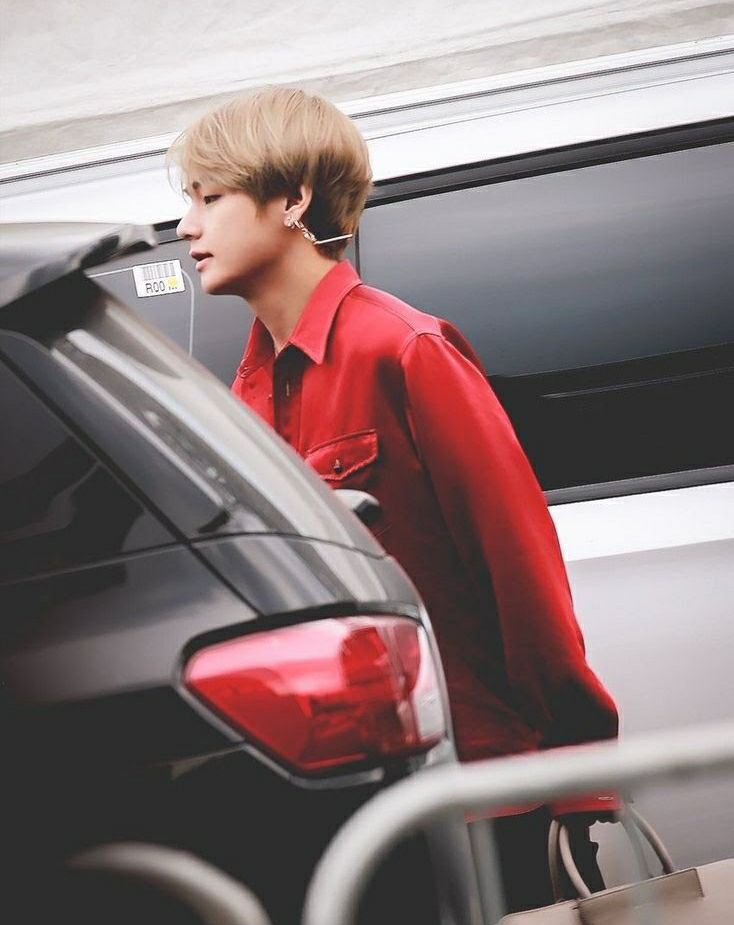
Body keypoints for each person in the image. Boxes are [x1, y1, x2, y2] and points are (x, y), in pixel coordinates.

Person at [170, 86, 619, 912]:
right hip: (358, 809)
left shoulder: (405, 349)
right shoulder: (247, 392)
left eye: (209, 197)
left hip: (480, 799)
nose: (184, 225)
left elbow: (520, 572)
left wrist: (579, 776)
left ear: (293, 198)